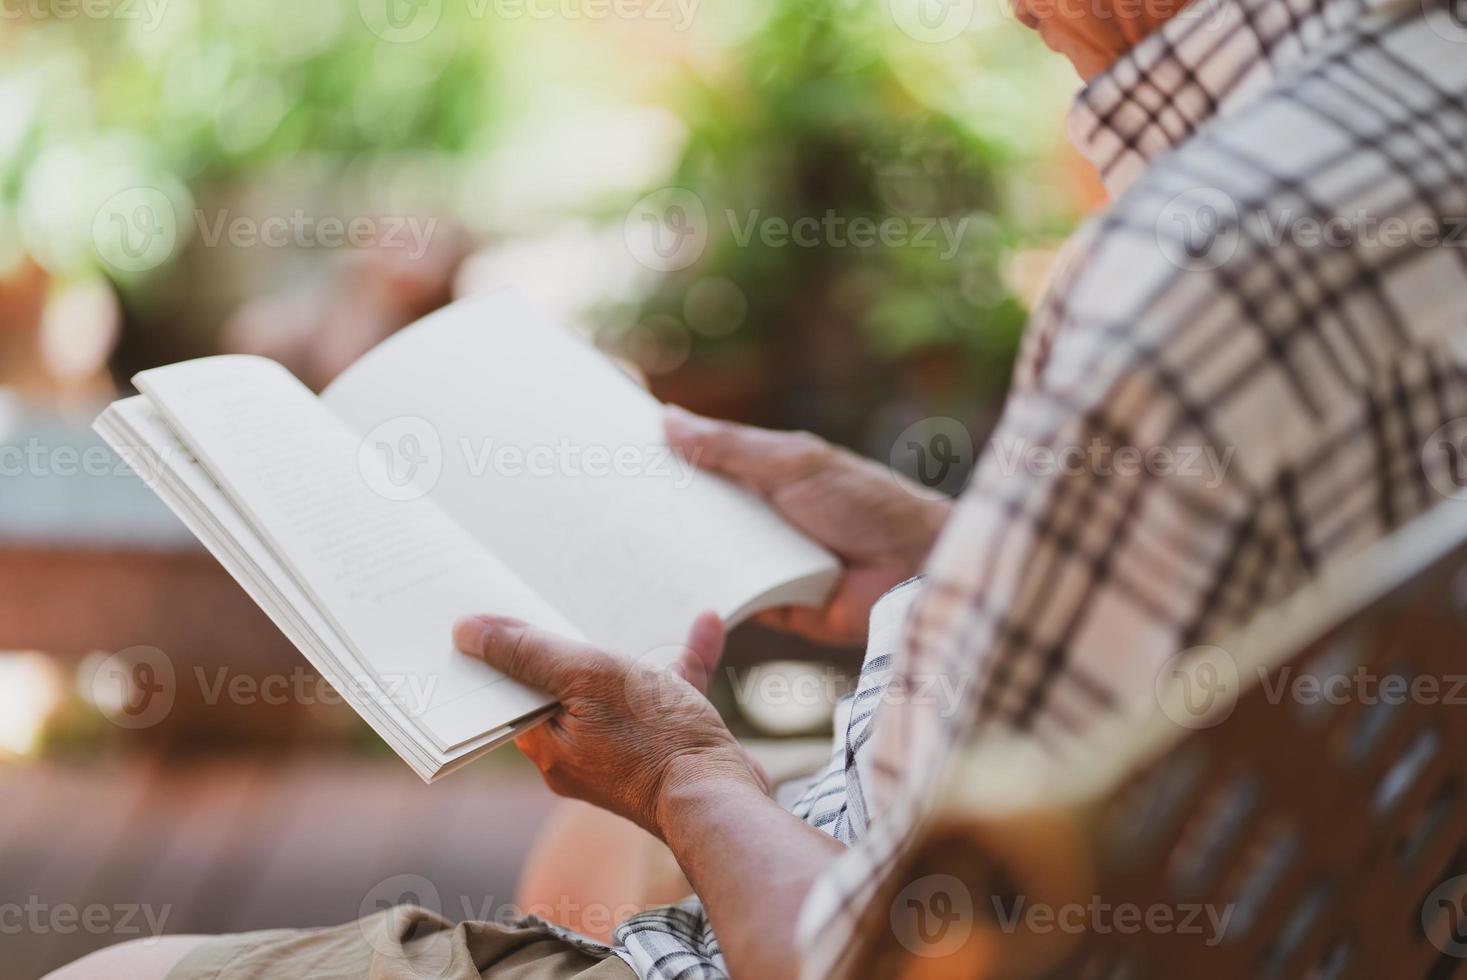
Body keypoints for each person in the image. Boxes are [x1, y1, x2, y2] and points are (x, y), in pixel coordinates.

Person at [51, 0, 1467, 974]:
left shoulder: (1189, 259)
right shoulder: (1424, 107)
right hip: (1324, 910)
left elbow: (880, 961)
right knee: (577, 861)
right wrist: (952, 559)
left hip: (940, 933)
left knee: (125, 969)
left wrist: (687, 777)